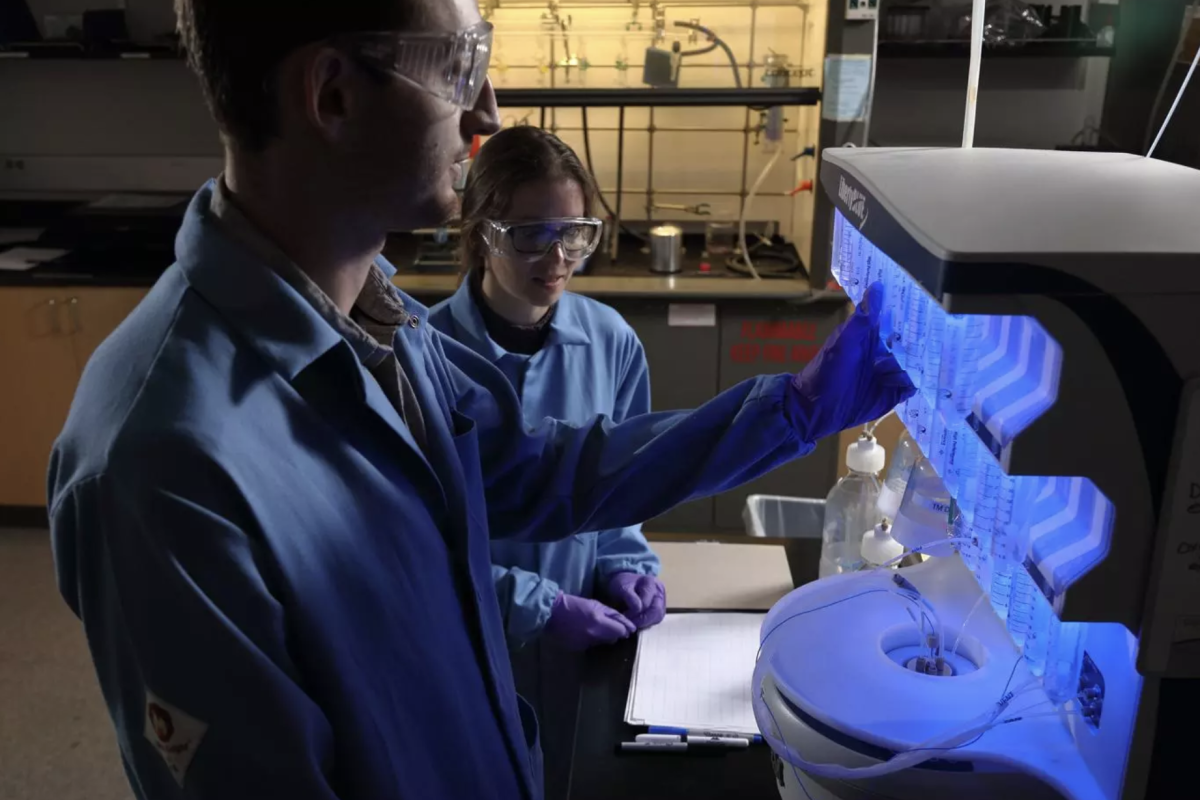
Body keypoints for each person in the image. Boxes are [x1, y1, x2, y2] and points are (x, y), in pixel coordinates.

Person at [46, 2, 914, 799]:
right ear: (333, 94)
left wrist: (795, 408)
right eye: (462, 67)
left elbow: (546, 471)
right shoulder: (160, 460)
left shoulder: (385, 324)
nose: (488, 111)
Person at [429, 126, 664, 800]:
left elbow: (624, 489)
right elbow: (420, 544)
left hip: (578, 646)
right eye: (532, 234)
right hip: (470, 644)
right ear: (482, 230)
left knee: (568, 777)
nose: (558, 257)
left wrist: (625, 562)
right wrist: (532, 604)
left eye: (576, 232)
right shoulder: (427, 358)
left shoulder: (611, 341)